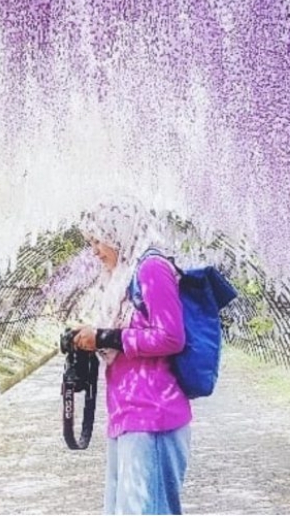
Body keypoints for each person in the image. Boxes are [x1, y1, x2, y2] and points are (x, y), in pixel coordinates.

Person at [72, 199, 191, 515]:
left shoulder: (151, 268)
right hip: (126, 414)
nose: (95, 250)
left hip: (152, 414)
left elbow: (171, 336)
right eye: (91, 242)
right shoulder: (121, 279)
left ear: (118, 231)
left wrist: (104, 337)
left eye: (99, 240)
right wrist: (91, 339)